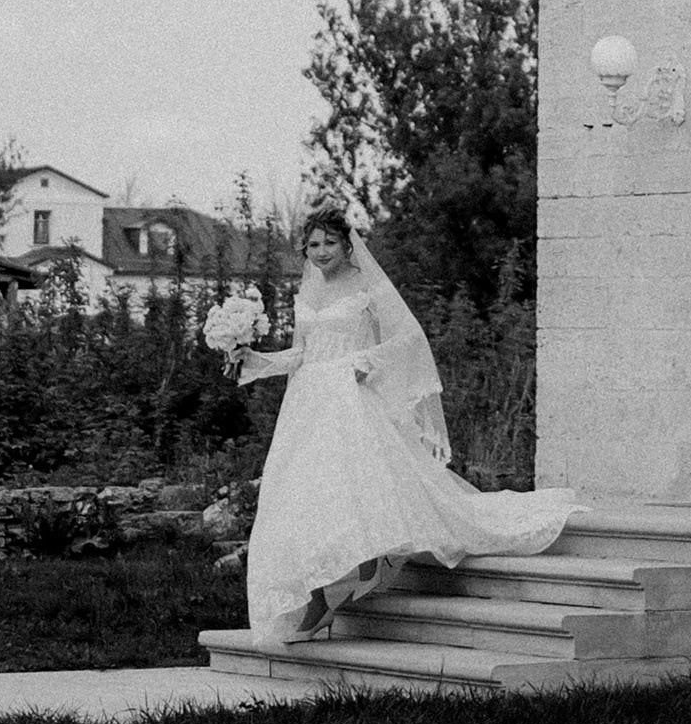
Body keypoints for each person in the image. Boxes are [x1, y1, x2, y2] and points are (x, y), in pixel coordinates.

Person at [235, 202, 575, 645]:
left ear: (347, 244)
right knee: (302, 498)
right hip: (308, 404)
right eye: (313, 244)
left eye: (330, 243)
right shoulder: (308, 293)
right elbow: (301, 353)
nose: (321, 252)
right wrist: (254, 360)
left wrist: (367, 360)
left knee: (354, 485)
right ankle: (318, 599)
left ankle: (358, 569)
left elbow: (409, 339)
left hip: (351, 398)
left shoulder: (366, 287)